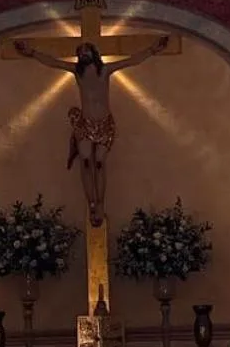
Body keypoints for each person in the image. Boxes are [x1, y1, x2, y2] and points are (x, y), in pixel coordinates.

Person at [13, 35, 170, 225]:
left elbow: (131, 60)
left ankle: (101, 203)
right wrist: (32, 52)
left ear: (94, 54)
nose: (83, 54)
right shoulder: (76, 72)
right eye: (80, 52)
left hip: (104, 124)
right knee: (86, 161)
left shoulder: (105, 70)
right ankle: (92, 203)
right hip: (86, 124)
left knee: (99, 163)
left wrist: (153, 49)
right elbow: (53, 62)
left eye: (86, 50)